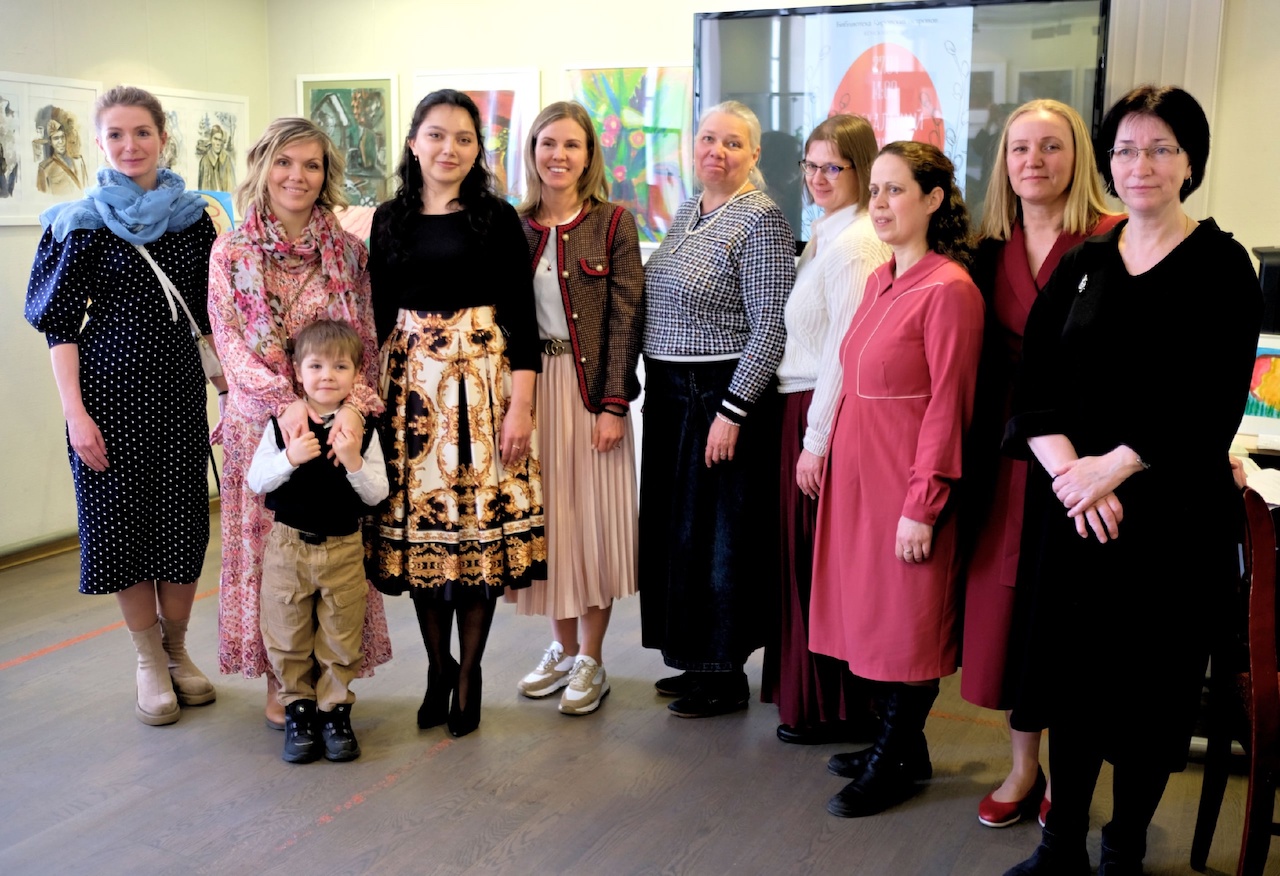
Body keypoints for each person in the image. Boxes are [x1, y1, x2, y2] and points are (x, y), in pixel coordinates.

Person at [1001, 86, 1261, 876]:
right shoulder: (1085, 263)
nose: (1139, 164)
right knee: (1073, 688)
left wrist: (1113, 466)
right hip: (1078, 517)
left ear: (1190, 163)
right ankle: (1060, 846)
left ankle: (1123, 850)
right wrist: (1073, 478)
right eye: (1124, 150)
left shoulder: (1222, 266)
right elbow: (1033, 386)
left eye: (1159, 149)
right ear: (1108, 163)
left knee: (1151, 697)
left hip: (1170, 520)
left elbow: (1211, 400)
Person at [25, 85, 218, 725]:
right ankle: (147, 660)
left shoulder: (195, 220)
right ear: (99, 142)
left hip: (179, 396)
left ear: (163, 137)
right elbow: (59, 327)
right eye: (115, 134)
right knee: (120, 530)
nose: (130, 145)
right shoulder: (79, 224)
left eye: (142, 132)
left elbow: (213, 318)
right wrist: (75, 415)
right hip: (106, 401)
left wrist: (230, 393)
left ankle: (178, 651)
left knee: (182, 526)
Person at [959, 99, 1121, 830]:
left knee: (1070, 619)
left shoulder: (1114, 239)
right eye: (1020, 148)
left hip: (1083, 458)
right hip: (1005, 458)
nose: (1034, 161)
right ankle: (1023, 767)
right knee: (1010, 620)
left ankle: (1070, 775)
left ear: (1078, 157)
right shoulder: (986, 250)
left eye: (1051, 146)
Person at [809, 141, 984, 817]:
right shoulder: (881, 278)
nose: (879, 203)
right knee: (873, 619)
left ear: (933, 199)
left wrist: (924, 503)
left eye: (895, 190)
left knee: (907, 625)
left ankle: (893, 759)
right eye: (875, 190)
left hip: (905, 486)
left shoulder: (950, 290)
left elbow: (949, 407)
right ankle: (903, 746)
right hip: (859, 484)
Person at [367, 89, 545, 738]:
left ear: (478, 150)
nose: (450, 148)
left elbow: (522, 319)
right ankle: (437, 667)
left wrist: (521, 407)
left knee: (477, 539)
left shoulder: (495, 218)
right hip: (411, 396)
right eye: (437, 135)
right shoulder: (388, 219)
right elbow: (376, 317)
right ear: (414, 142)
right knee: (425, 540)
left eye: (464, 138)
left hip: (484, 392)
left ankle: (469, 672)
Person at [208, 117, 393, 730]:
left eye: (311, 164)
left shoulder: (348, 253)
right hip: (262, 427)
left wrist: (355, 410)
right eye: (285, 162)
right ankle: (282, 683)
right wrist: (284, 404)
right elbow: (230, 346)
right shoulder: (232, 251)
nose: (297, 176)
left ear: (326, 174)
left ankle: (331, 683)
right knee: (274, 563)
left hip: (336, 423)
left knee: (333, 559)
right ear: (264, 167)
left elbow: (367, 342)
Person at [639, 100, 795, 718]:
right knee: (678, 534)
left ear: (753, 154)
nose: (717, 152)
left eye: (732, 143)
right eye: (708, 139)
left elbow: (771, 327)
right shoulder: (690, 209)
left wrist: (732, 411)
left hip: (718, 395)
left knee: (717, 539)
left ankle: (724, 672)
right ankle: (694, 655)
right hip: (672, 395)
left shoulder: (761, 220)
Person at [511, 101, 644, 716]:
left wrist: (614, 405)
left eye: (571, 144)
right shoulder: (514, 226)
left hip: (591, 395)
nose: (558, 155)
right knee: (549, 527)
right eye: (548, 143)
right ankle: (561, 649)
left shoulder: (614, 224)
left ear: (589, 154)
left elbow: (626, 319)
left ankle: (592, 657)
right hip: (530, 393)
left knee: (591, 527)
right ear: (532, 151)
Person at [763, 114, 890, 745]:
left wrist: (815, 442)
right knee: (803, 562)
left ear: (862, 171)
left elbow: (845, 350)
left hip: (822, 410)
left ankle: (834, 706)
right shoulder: (827, 232)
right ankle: (811, 696)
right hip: (802, 405)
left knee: (819, 568)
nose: (817, 177)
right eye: (809, 165)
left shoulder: (856, 244)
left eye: (832, 167)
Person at [247, 320, 389, 764]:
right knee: (287, 633)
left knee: (341, 636)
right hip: (288, 547)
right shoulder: (281, 426)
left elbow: (377, 493)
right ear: (297, 371)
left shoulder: (363, 429)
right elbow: (256, 480)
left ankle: (334, 714)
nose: (327, 375)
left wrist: (352, 461)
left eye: (340, 366)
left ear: (356, 373)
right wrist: (289, 459)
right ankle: (299, 712)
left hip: (343, 548)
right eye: (316, 366)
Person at [36, 116, 90, 197]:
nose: (61, 141)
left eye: (62, 137)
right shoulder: (44, 168)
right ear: (50, 142)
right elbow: (42, 197)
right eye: (56, 138)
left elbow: (88, 188)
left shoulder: (79, 160)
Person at [197, 123, 236, 192]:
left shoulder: (227, 160)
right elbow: (202, 189)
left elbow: (232, 187)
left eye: (220, 140)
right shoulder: (204, 161)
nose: (218, 143)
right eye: (215, 139)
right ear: (211, 140)